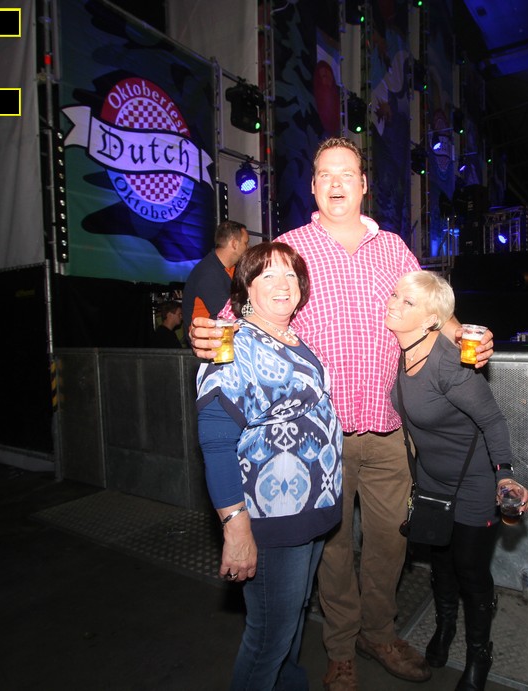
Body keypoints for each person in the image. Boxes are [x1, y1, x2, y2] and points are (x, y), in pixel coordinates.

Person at [189, 137, 494, 691]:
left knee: (390, 544)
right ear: (312, 186)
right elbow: (238, 315)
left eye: (347, 173)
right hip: (318, 441)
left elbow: (430, 306)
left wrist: (462, 334)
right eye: (325, 174)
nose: (336, 183)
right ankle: (340, 648)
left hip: (388, 429)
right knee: (331, 551)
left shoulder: (392, 248)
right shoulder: (291, 247)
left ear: (362, 184)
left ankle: (379, 633)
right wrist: (204, 334)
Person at [195, 241, 343, 690]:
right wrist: (235, 526)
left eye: (291, 275)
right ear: (246, 287)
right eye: (268, 275)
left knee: (292, 617)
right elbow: (216, 441)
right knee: (269, 638)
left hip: (308, 509)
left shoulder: (292, 335)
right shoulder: (233, 342)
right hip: (272, 514)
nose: (283, 284)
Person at [385, 270, 528, 691]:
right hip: (432, 481)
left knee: (470, 569)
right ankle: (445, 626)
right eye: (395, 295)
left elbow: (494, 422)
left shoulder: (451, 364)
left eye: (407, 302)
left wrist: (504, 478)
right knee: (442, 564)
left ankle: (479, 655)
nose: (393, 303)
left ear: (432, 320)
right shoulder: (396, 351)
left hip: (474, 482)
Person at [182, 219, 250, 326]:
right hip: (209, 335)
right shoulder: (209, 273)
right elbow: (228, 316)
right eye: (246, 243)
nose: (248, 247)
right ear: (234, 244)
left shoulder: (230, 269)